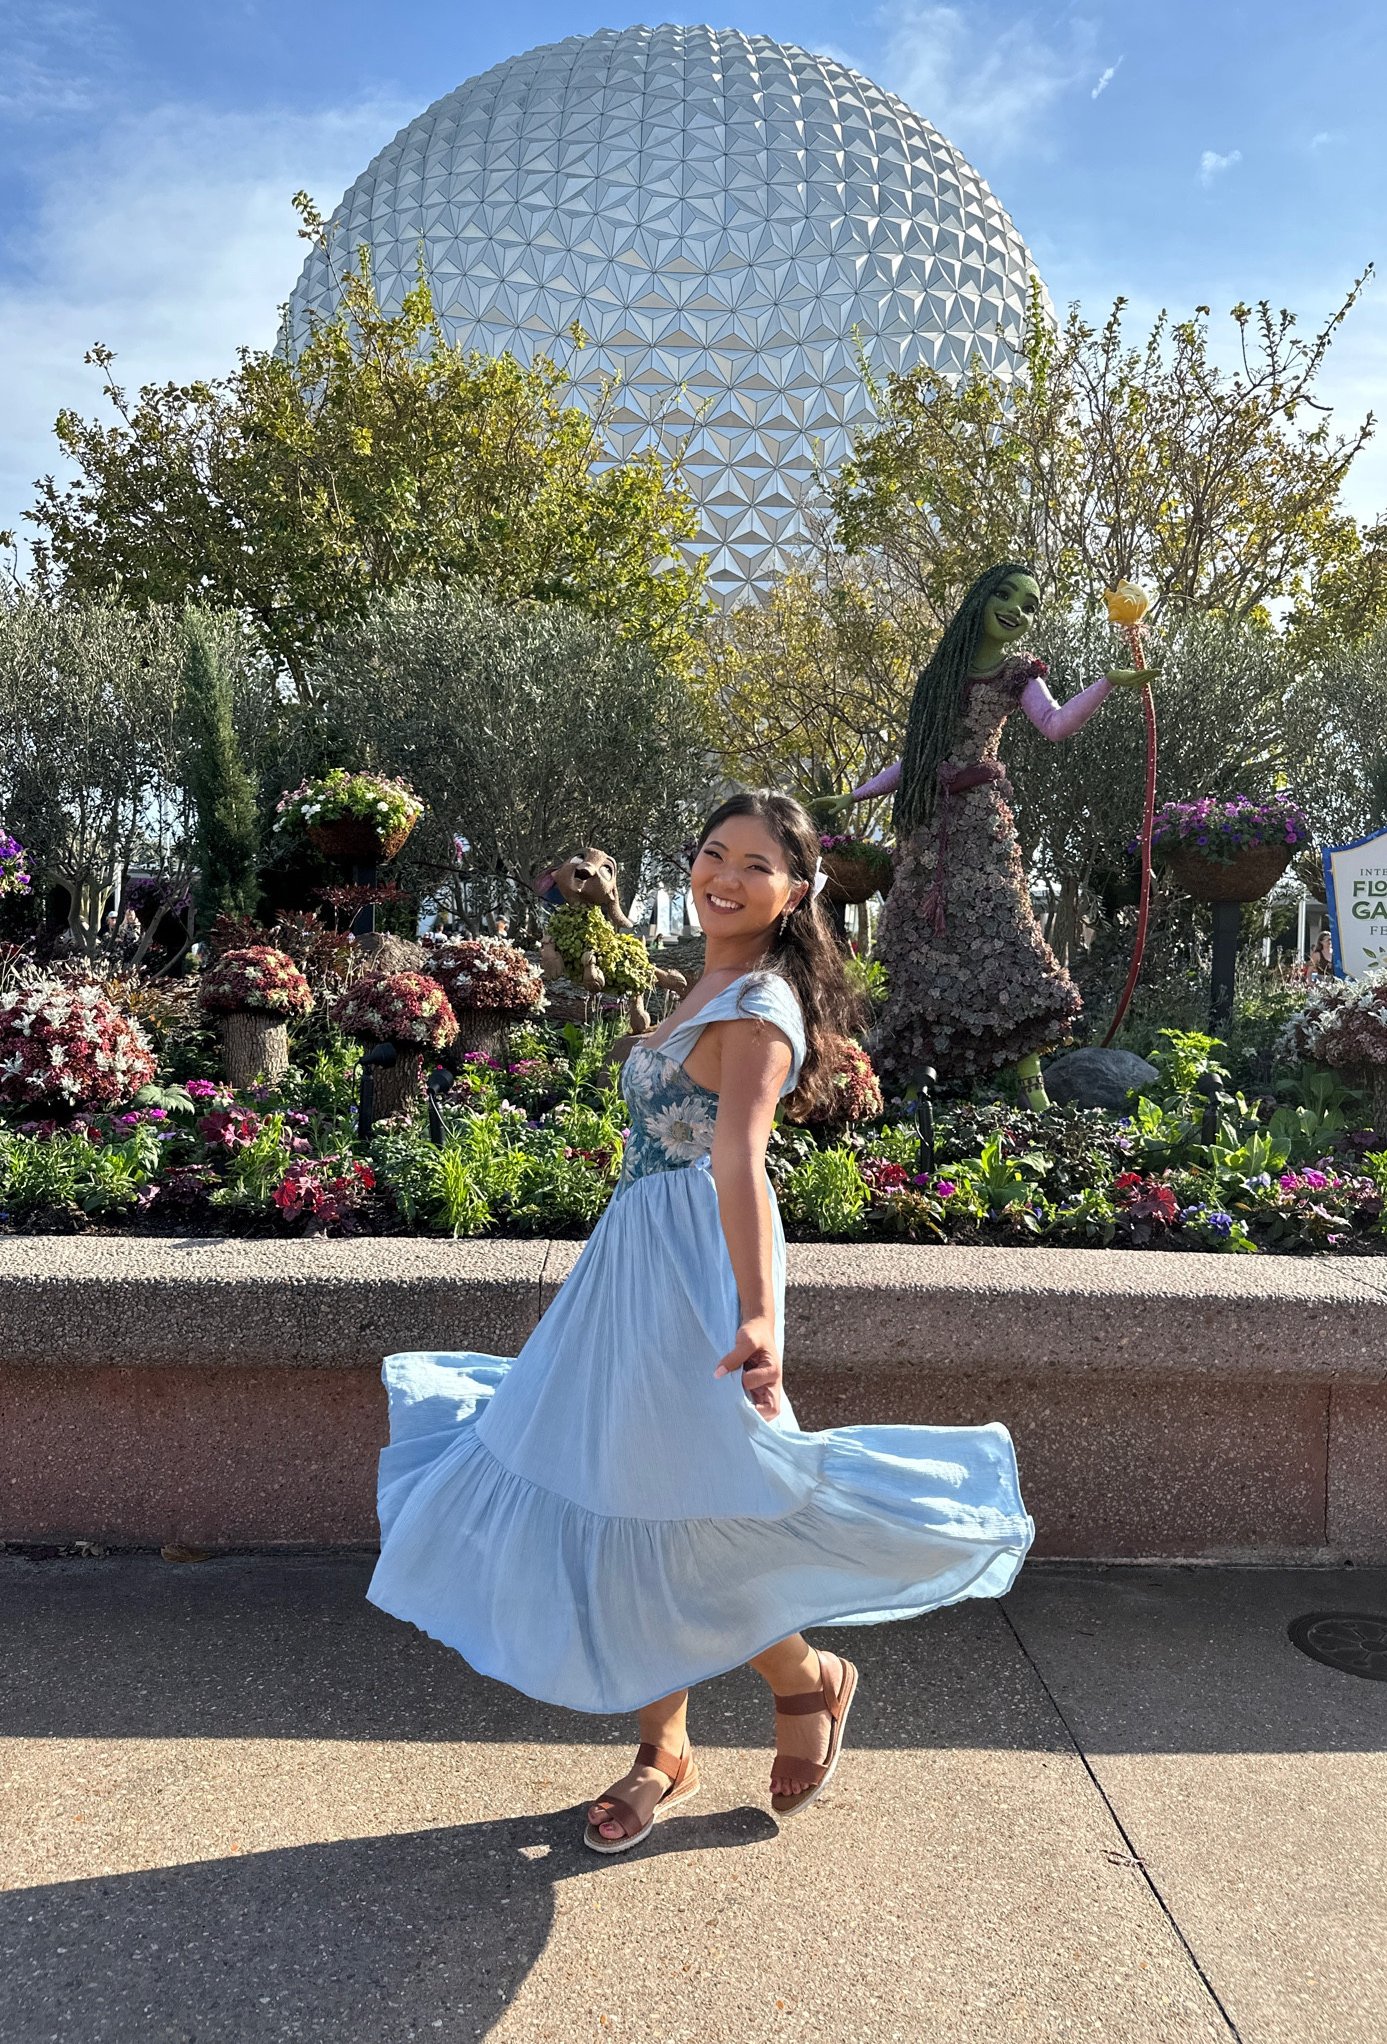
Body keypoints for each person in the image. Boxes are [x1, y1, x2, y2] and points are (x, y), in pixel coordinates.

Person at [369, 790, 1033, 1853]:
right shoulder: (707, 978)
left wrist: (762, 1316)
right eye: (712, 853)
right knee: (628, 1497)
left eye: (754, 863)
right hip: (628, 1271)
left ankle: (806, 1677)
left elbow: (742, 1166)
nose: (723, 874)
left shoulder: (763, 1004)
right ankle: (667, 1745)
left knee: (693, 1506)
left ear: (796, 890)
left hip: (689, 1284)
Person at [814, 562, 1157, 1108]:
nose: (1016, 611)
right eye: (1007, 595)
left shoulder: (1018, 671)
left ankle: (1031, 1085)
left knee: (1004, 934)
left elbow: (1056, 724)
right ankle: (909, 1086)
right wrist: (854, 796)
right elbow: (918, 759)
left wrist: (1108, 684)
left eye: (1029, 605)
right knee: (921, 944)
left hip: (981, 825)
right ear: (979, 597)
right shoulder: (941, 675)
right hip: (928, 832)